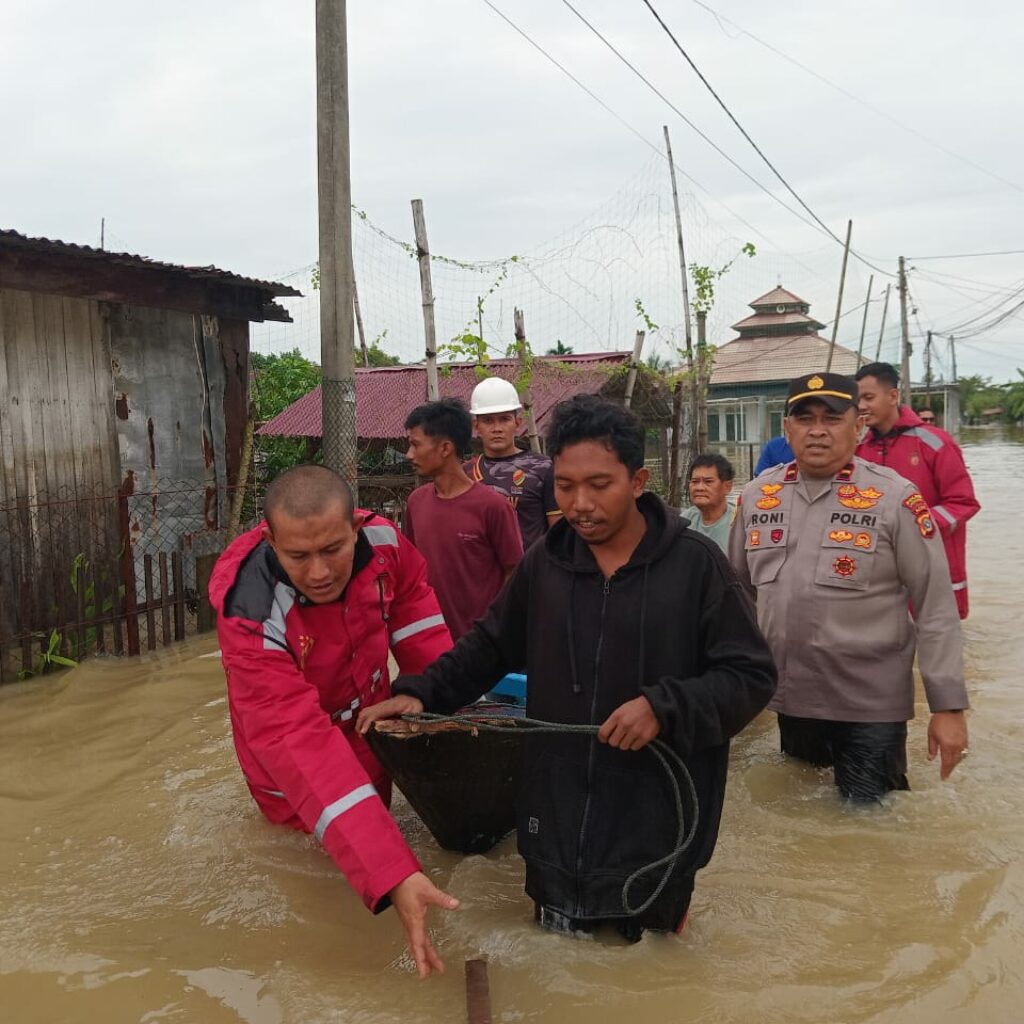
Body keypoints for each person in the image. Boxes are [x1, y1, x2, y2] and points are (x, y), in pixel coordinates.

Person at [361, 395, 777, 941]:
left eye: (599, 485)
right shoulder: (546, 563)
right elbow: (489, 645)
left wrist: (664, 707)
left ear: (638, 480)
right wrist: (420, 693)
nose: (580, 504)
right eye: (565, 485)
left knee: (647, 973)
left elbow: (751, 677)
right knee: (561, 968)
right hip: (555, 824)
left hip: (656, 828)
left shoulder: (696, 566)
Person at [208, 465, 459, 979]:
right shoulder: (251, 611)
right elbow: (294, 740)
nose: (319, 572)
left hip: (367, 720)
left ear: (357, 527)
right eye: (298, 556)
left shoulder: (387, 544)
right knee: (312, 867)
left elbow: (419, 615)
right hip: (286, 760)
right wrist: (393, 873)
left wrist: (433, 699)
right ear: (269, 539)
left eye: (333, 550)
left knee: (378, 810)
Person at [729, 372, 970, 802]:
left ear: (858, 426)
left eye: (832, 418)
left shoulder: (895, 498)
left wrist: (947, 707)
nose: (817, 430)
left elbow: (934, 604)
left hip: (869, 706)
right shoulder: (756, 496)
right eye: (804, 418)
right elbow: (735, 596)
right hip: (791, 698)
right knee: (798, 820)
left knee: (869, 829)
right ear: (786, 429)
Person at [855, 362, 980, 619]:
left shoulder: (935, 442)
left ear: (893, 396)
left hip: (935, 561)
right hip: (882, 569)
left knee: (938, 641)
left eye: (869, 397)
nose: (862, 406)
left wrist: (915, 526)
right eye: (858, 400)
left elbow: (963, 503)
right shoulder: (859, 450)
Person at [404, 398, 523, 640]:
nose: (409, 455)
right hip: (431, 639)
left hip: (480, 646)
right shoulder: (416, 502)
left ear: (445, 449)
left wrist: (498, 630)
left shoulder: (493, 507)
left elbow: (515, 574)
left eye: (416, 445)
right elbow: (411, 568)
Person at [464, 376, 563, 549]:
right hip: (481, 574)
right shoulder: (466, 473)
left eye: (504, 419)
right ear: (476, 426)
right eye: (488, 420)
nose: (497, 428)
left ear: (518, 423)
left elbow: (560, 535)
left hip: (531, 573)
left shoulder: (544, 468)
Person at [682, 453, 736, 553]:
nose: (699, 488)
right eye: (695, 481)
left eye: (708, 481)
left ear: (727, 487)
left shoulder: (738, 522)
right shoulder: (685, 521)